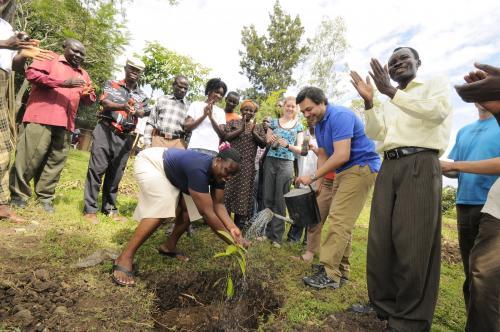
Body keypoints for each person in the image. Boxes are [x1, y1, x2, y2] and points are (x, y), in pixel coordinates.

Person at [350, 47, 452, 331]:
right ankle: (383, 305)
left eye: (403, 59)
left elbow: (437, 112)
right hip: (390, 166)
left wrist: (390, 92)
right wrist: (371, 103)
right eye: (392, 62)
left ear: (418, 62)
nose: (397, 65)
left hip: (420, 163)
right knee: (381, 240)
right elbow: (376, 133)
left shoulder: (434, 85)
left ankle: (410, 318)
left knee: (413, 243)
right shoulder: (387, 98)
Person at [111, 144, 245, 286]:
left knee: (190, 210)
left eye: (232, 175)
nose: (228, 177)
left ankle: (169, 246)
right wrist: (231, 241)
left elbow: (218, 204)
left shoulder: (220, 175)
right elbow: (207, 213)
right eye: (227, 171)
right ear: (217, 160)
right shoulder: (199, 169)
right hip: (153, 163)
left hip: (172, 172)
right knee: (162, 206)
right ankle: (124, 257)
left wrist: (233, 229)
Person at [295, 87, 380, 290]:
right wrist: (318, 182)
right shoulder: (321, 124)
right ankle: (341, 271)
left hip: (360, 168)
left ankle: (329, 274)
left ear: (322, 101)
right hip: (344, 171)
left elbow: (341, 154)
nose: (307, 114)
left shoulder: (340, 115)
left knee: (338, 220)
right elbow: (324, 154)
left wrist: (313, 176)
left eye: (309, 109)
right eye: (303, 112)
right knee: (342, 220)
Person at [9, 38, 95, 213]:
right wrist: (63, 83)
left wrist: (88, 94)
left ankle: (45, 197)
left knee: (55, 162)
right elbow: (32, 75)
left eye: (82, 54)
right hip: (42, 116)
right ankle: (18, 195)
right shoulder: (49, 58)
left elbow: (89, 99)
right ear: (65, 47)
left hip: (66, 123)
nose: (78, 56)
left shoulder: (83, 74)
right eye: (75, 51)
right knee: (29, 158)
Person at [443, 104, 500, 310]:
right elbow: (455, 168)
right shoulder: (464, 131)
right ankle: (474, 321)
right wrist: (437, 164)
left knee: (487, 274)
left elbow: (457, 165)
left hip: (492, 208)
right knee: (471, 271)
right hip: (464, 204)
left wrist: (455, 165)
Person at [82, 57, 150, 223]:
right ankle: (90, 210)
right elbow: (104, 102)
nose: (134, 72)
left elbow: (145, 111)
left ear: (141, 73)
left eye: (137, 70)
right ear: (125, 68)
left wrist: (141, 113)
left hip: (125, 136)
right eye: (131, 68)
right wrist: (122, 106)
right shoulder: (112, 84)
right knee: (97, 169)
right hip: (106, 130)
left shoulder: (142, 95)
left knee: (116, 174)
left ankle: (109, 209)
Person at [0, 22, 52, 222]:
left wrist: (23, 52)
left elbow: (14, 65)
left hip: (3, 80)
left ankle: (2, 204)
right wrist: (6, 43)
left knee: (4, 146)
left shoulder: (6, 25)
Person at [261, 96, 304, 248]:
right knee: (267, 197)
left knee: (280, 200)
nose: (290, 108)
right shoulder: (273, 122)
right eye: (288, 105)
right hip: (271, 161)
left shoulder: (298, 126)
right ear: (283, 106)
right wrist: (271, 139)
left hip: (287, 164)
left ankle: (276, 237)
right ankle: (265, 232)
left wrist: (287, 145)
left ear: (296, 108)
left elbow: (300, 149)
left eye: (293, 106)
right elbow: (267, 140)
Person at [223, 100, 266, 229]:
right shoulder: (233, 123)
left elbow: (263, 144)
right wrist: (240, 129)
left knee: (243, 193)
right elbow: (225, 137)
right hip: (231, 163)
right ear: (241, 111)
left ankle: (238, 223)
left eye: (251, 110)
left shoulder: (257, 127)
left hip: (247, 166)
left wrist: (254, 133)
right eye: (245, 109)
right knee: (228, 191)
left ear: (254, 113)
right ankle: (225, 221)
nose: (248, 112)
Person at [143, 75, 189, 149]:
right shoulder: (162, 100)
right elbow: (150, 122)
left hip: (178, 144)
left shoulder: (188, 107)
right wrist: (147, 143)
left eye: (185, 88)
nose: (183, 90)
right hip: (159, 140)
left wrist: (186, 146)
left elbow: (189, 131)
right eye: (180, 87)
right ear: (173, 85)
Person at [184, 78, 227, 157]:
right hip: (194, 147)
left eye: (221, 94)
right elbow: (187, 127)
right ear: (209, 90)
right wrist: (204, 116)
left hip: (212, 151)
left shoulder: (221, 112)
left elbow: (222, 134)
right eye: (216, 92)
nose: (218, 96)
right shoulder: (195, 104)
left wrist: (211, 118)